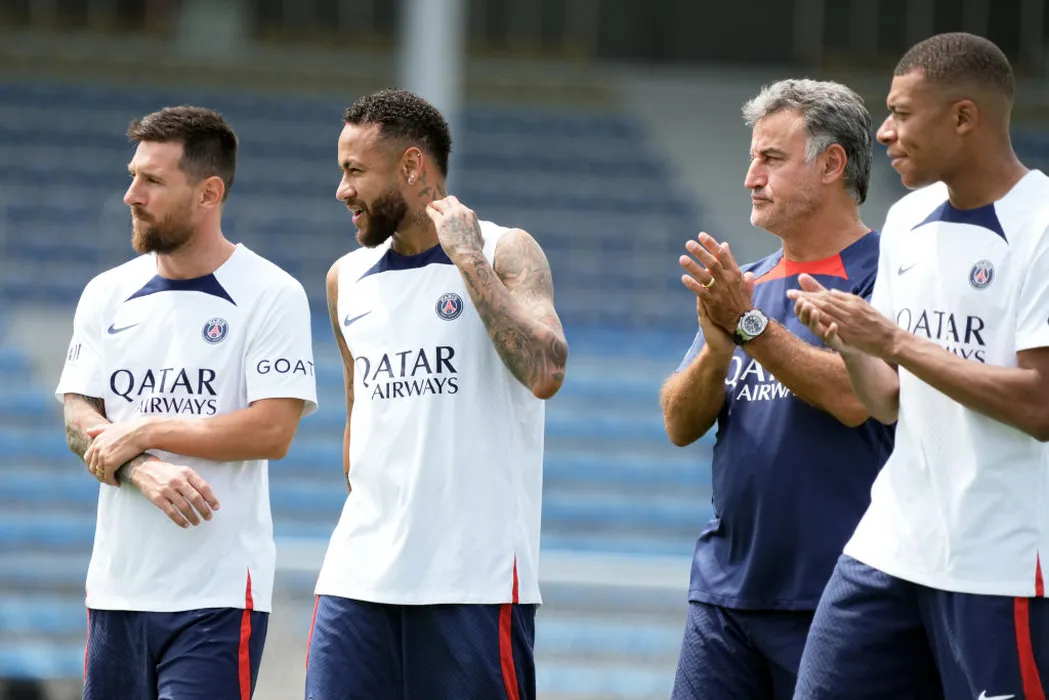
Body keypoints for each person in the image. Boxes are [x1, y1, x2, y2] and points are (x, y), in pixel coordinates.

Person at [789, 32, 1049, 699]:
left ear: (963, 117)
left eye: (901, 113)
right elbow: (886, 400)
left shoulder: (1041, 226)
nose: (883, 132)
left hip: (1000, 564)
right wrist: (850, 341)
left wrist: (896, 342)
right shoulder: (906, 220)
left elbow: (1040, 406)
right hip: (890, 546)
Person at [303, 88, 568, 700]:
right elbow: (358, 420)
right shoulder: (345, 279)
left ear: (411, 166)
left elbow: (546, 371)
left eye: (355, 171)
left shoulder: (504, 249)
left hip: (471, 582)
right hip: (357, 578)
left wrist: (468, 258)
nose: (342, 189)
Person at [57, 106, 318, 699]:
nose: (131, 195)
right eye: (133, 176)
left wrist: (146, 429)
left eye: (152, 180)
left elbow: (272, 431)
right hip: (116, 592)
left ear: (209, 193)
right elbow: (78, 418)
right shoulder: (105, 294)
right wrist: (139, 467)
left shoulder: (271, 293)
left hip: (217, 597)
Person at [659, 79, 895, 700]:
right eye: (751, 158)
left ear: (832, 164)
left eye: (770, 158)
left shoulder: (889, 273)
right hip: (725, 594)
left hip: (840, 597)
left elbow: (855, 399)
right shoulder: (747, 283)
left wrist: (747, 327)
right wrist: (717, 352)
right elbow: (679, 423)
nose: (750, 178)